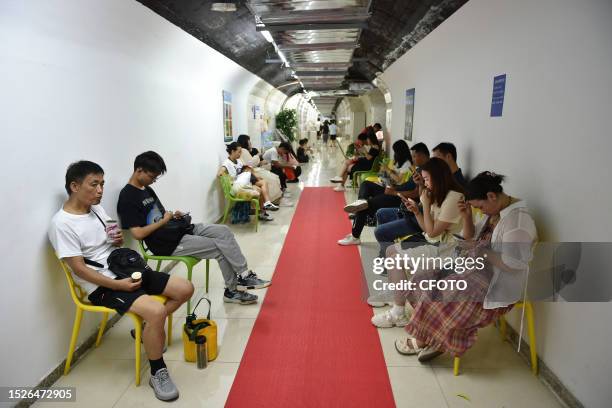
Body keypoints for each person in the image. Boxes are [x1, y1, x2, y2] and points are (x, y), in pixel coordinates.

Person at [49, 161, 193, 401]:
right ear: (74, 186)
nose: (100, 190)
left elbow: (111, 240)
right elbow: (80, 270)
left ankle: (148, 332)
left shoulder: (96, 209)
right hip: (101, 284)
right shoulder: (61, 224)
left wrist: (115, 241)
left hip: (125, 268)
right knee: (156, 311)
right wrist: (118, 285)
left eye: (102, 184)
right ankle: (158, 371)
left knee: (185, 288)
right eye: (94, 184)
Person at [392, 172, 537, 362]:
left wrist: (480, 251)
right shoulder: (495, 211)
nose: (481, 211)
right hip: (473, 267)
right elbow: (469, 238)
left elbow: (512, 266)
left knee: (445, 293)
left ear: (492, 196)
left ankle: (426, 339)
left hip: (494, 283)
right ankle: (434, 336)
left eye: (480, 207)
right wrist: (467, 217)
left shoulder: (519, 223)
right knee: (422, 278)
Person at [117, 151, 270, 306]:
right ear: (139, 170)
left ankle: (244, 274)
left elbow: (161, 215)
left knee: (224, 231)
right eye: (152, 177)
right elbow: (137, 233)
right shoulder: (127, 197)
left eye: (156, 177)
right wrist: (164, 221)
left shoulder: (147, 190)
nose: (154, 181)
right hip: (166, 243)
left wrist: (172, 215)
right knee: (219, 248)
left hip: (176, 229)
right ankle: (232, 291)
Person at [371, 157, 465, 328]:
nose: (425, 182)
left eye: (427, 178)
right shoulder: (440, 194)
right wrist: (416, 211)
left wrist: (426, 205)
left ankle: (399, 312)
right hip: (435, 243)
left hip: (447, 252)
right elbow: (427, 229)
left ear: (439, 177)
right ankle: (397, 300)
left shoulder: (454, 198)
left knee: (394, 257)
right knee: (391, 250)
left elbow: (432, 231)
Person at [337, 140, 414, 246]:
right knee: (366, 184)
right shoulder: (401, 162)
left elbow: (398, 180)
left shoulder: (408, 164)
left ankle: (355, 236)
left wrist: (388, 170)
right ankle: (360, 202)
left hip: (395, 194)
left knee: (365, 206)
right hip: (391, 188)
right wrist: (386, 173)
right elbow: (396, 179)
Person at [221, 142, 277, 221]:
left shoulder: (238, 161)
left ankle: (267, 203)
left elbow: (247, 168)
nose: (240, 154)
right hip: (239, 185)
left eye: (241, 152)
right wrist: (230, 178)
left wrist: (255, 175)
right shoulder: (227, 163)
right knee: (260, 189)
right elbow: (220, 173)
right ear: (233, 151)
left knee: (264, 182)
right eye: (239, 152)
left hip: (245, 181)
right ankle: (263, 211)